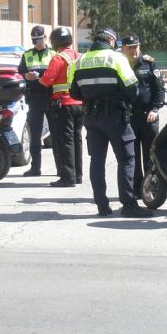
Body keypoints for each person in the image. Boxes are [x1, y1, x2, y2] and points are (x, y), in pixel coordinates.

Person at [68, 27, 152, 218]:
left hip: (91, 117)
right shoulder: (117, 59)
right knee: (127, 159)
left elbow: (73, 92)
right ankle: (129, 205)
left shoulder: (79, 61)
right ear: (112, 41)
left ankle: (102, 206)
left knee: (97, 161)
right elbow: (133, 90)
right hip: (116, 117)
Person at [120, 34, 165, 197]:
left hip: (148, 117)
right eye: (130, 47)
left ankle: (151, 186)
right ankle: (137, 188)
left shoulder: (149, 63)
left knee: (150, 155)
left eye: (136, 47)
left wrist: (155, 109)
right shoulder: (120, 65)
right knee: (132, 155)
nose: (134, 50)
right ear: (123, 49)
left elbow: (159, 88)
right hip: (129, 117)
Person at [39, 26, 83, 187]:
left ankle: (68, 177)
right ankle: (78, 174)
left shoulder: (58, 59)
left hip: (64, 105)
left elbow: (47, 80)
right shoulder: (78, 56)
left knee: (66, 141)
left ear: (55, 42)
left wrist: (38, 79)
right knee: (77, 140)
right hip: (80, 104)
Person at [17, 25, 56, 177]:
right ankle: (35, 167)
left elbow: (56, 73)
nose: (37, 43)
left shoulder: (53, 53)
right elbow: (20, 71)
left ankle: (60, 168)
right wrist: (26, 75)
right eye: (34, 40)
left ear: (45, 38)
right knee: (35, 134)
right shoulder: (27, 55)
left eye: (39, 40)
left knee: (55, 134)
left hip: (51, 96)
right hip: (34, 98)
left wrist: (40, 75)